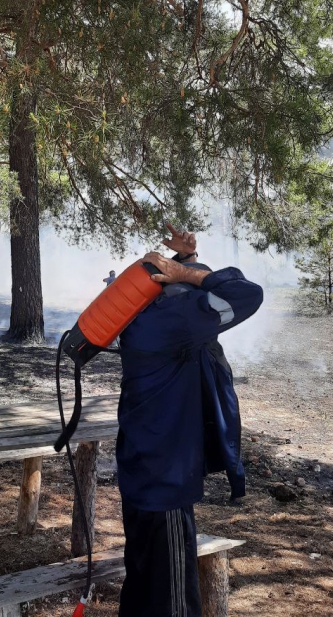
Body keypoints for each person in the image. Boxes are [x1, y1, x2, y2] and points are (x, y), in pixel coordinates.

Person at [117, 224, 263, 617]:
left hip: (142, 472)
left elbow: (197, 295)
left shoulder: (142, 320)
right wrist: (187, 271)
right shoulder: (177, 320)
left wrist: (187, 263)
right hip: (165, 483)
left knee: (143, 586)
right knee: (174, 601)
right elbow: (246, 293)